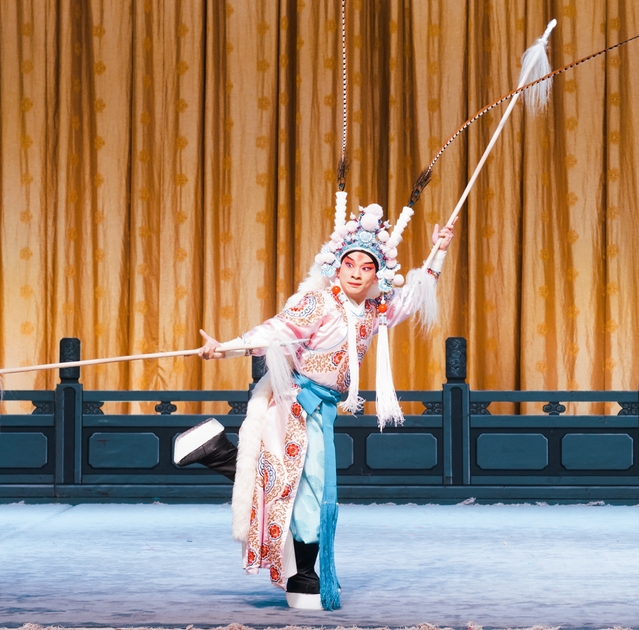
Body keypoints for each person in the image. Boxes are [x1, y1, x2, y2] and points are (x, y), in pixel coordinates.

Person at [173, 195, 455, 611]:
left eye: (366, 267)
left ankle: (217, 453)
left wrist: (439, 252)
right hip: (293, 402)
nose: (356, 273)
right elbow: (276, 331)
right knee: (305, 487)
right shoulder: (318, 303)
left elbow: (410, 300)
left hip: (322, 409)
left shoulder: (372, 309)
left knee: (298, 485)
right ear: (336, 267)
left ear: (376, 273)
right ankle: (302, 575)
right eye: (350, 264)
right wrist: (225, 349)